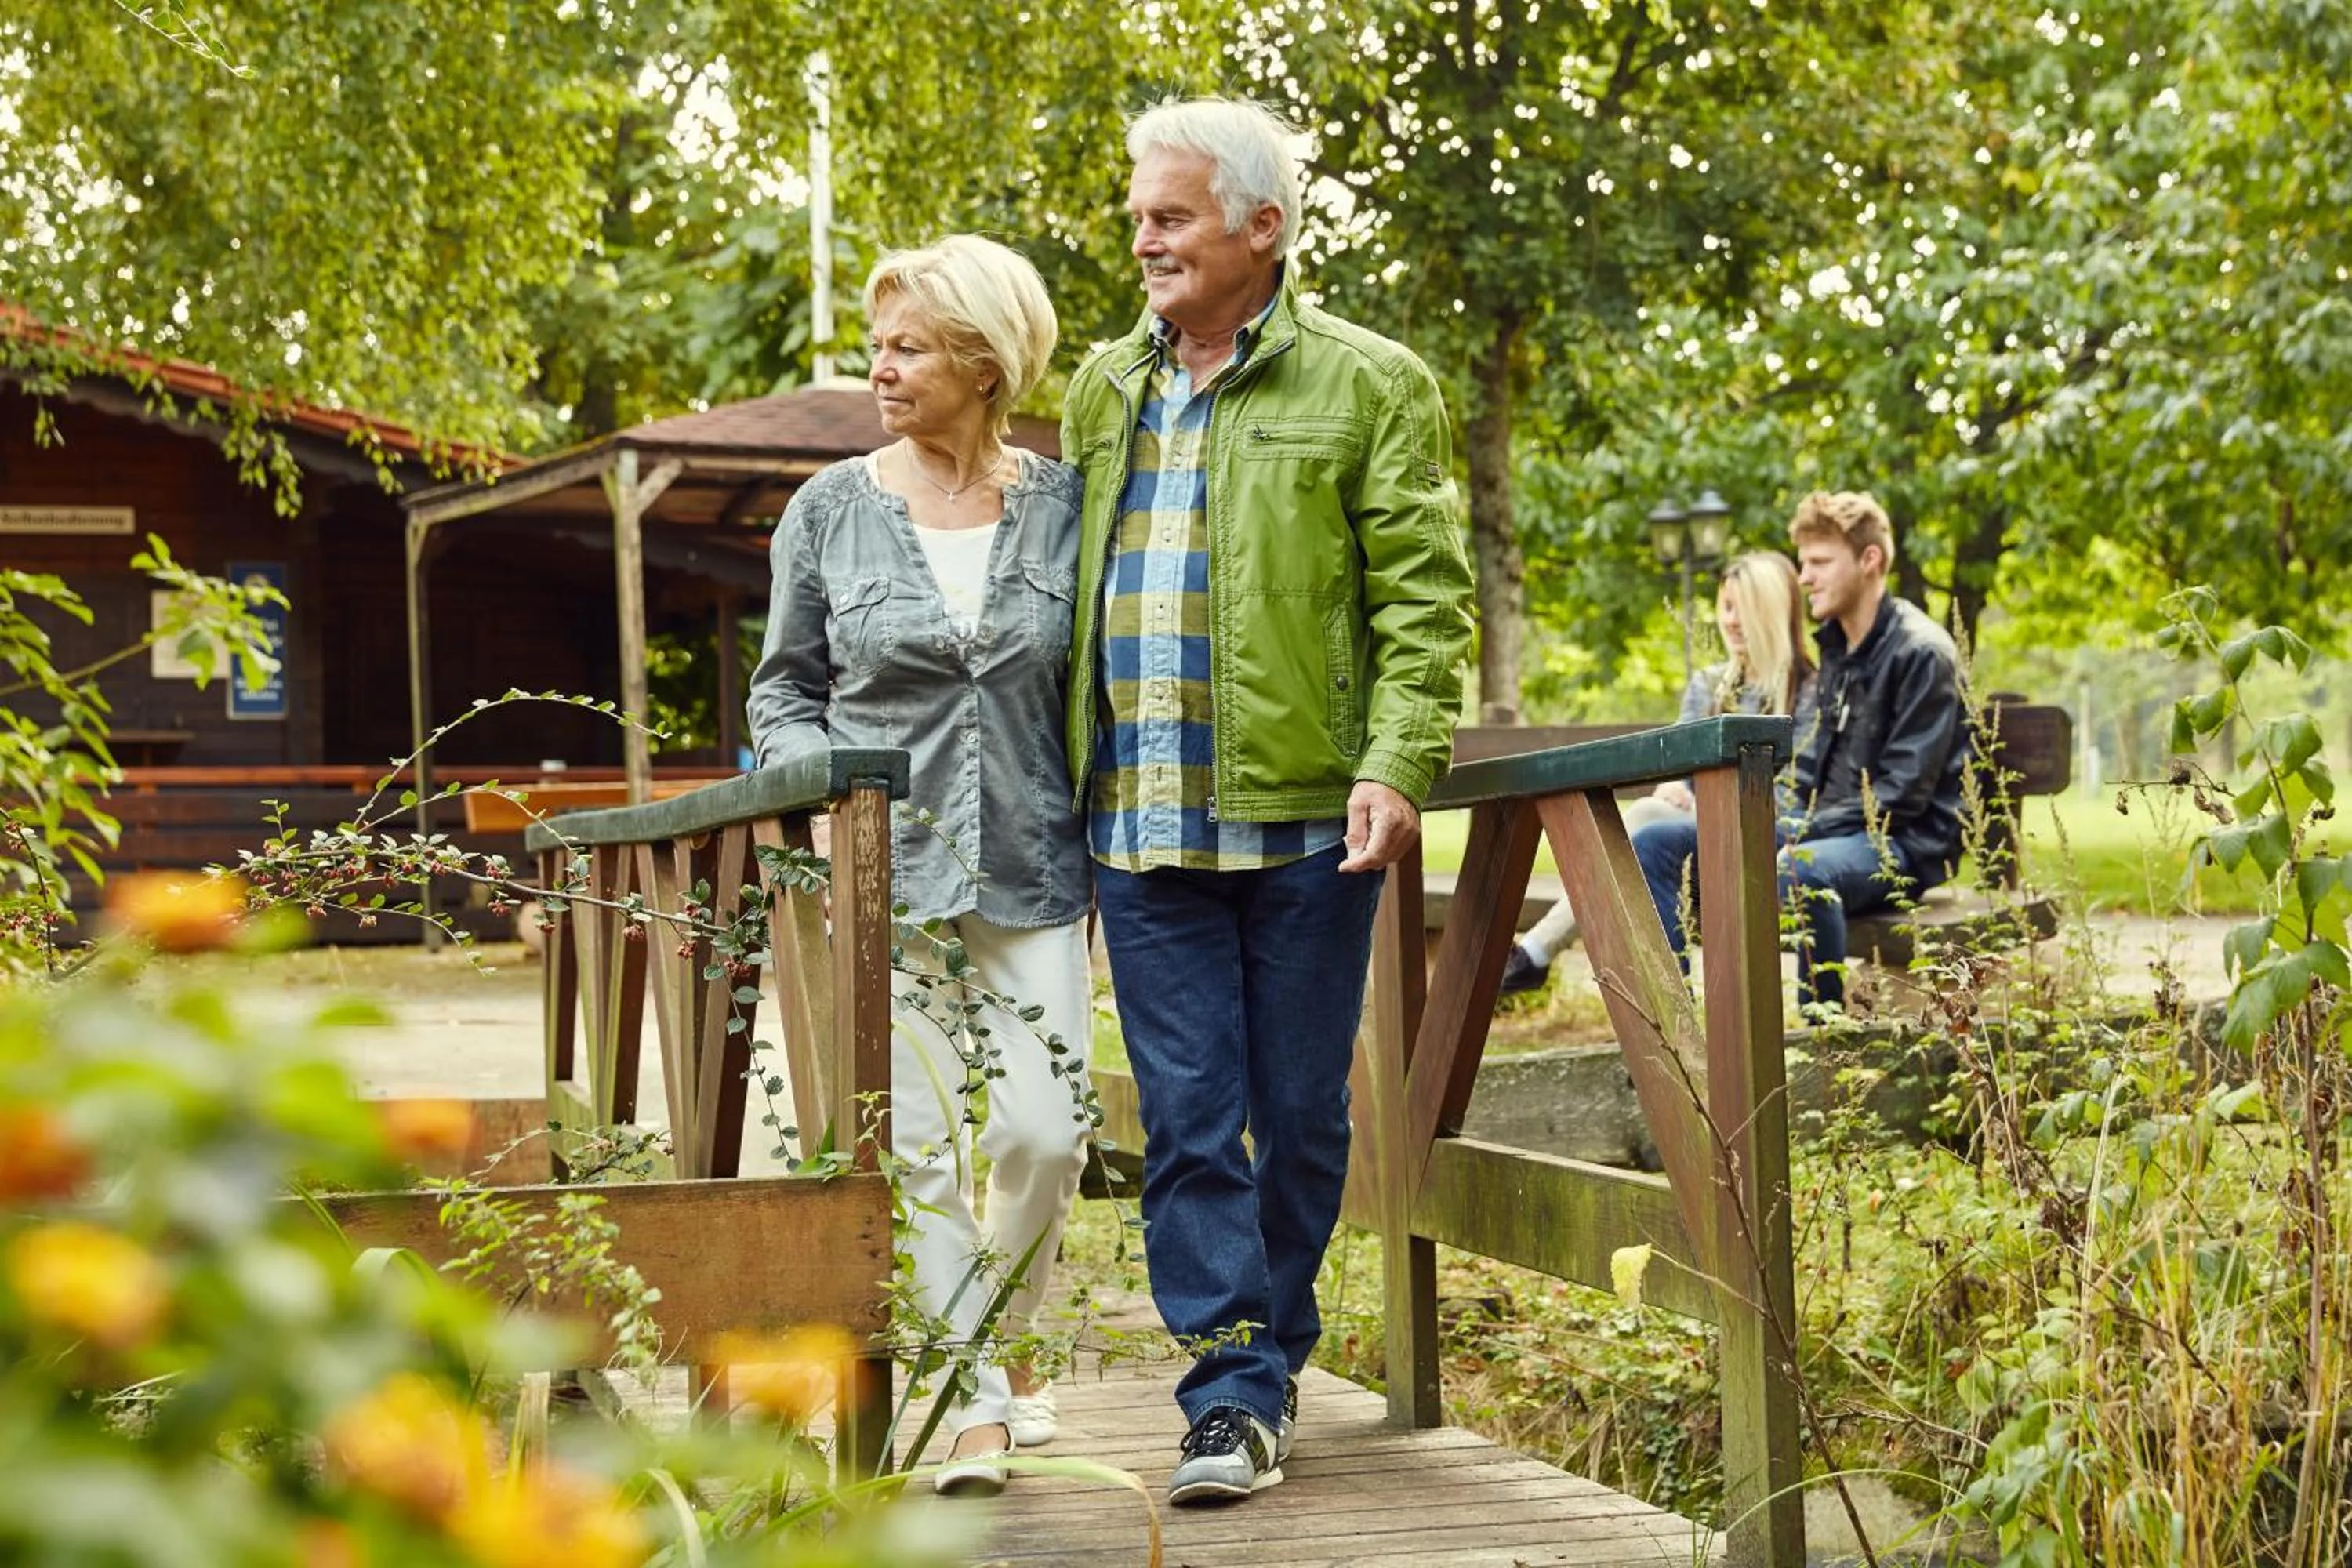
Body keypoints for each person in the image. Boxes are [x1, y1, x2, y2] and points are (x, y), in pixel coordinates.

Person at [1062, 98, 1476, 1506]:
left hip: (1310, 824)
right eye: (1137, 218)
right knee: (1188, 1119)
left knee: (1300, 1119)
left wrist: (1395, 760)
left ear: (1262, 228)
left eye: (1169, 218)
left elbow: (1427, 605)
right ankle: (1232, 1389)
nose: (1144, 243)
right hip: (1142, 826)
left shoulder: (1372, 385)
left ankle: (1269, 1356)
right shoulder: (1105, 391)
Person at [745, 235, 1093, 1497]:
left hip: (1036, 864)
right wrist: (827, 789)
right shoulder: (829, 510)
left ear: (983, 362)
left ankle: (1004, 1341)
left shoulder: (1063, 503)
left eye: (907, 348)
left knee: (1045, 1137)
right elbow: (782, 694)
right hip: (884, 877)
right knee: (925, 1150)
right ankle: (976, 1406)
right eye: (878, 345)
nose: (879, 369)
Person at [1632, 492, 1967, 1011]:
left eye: (1819, 562)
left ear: (1870, 561)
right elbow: (1810, 766)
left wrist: (1794, 832)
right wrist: (1771, 820)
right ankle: (1678, 1034)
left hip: (1904, 842)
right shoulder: (1836, 647)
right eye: (1804, 562)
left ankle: (1827, 1039)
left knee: (1800, 868)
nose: (1804, 577)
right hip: (1824, 828)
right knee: (1654, 842)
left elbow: (1902, 796)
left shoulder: (1922, 653)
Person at [1498, 551, 1816, 996]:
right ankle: (1544, 954)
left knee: (1643, 829)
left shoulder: (1807, 691)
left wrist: (1699, 800)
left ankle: (1539, 950)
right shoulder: (1709, 684)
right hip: (1693, 847)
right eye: (1726, 606)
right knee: (1649, 812)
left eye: (1744, 607)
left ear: (1774, 612)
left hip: (1765, 840)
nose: (1732, 620)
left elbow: (1796, 797)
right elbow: (1680, 768)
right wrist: (1673, 786)